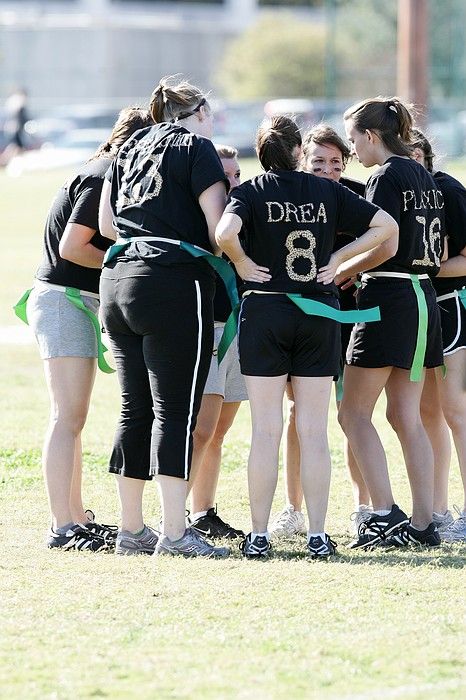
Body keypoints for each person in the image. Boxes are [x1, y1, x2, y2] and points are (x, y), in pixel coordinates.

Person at [215, 115, 397, 558]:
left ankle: (258, 535)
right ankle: (317, 534)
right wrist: (338, 258)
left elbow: (224, 234)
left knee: (266, 429)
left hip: (265, 310)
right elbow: (386, 227)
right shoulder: (327, 189)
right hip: (317, 312)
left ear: (260, 154)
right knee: (314, 430)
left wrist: (240, 262)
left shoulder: (250, 191)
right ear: (299, 152)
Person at [98, 75, 230, 558]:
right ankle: (175, 531)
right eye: (209, 114)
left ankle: (130, 530)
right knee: (175, 410)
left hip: (117, 281)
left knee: (135, 407)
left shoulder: (129, 146)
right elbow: (218, 231)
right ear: (196, 113)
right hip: (174, 280)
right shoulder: (196, 147)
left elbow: (108, 225)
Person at [24, 106, 153, 551]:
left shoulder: (104, 171)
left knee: (74, 418)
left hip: (75, 301)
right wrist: (132, 264)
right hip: (63, 301)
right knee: (68, 416)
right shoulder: (102, 175)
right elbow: (73, 247)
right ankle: (63, 526)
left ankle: (76, 517)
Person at [339, 97, 445, 549]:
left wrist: (343, 269)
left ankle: (384, 514)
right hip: (423, 296)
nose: (354, 152)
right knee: (407, 416)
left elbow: (385, 242)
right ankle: (424, 524)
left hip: (390, 297)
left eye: (353, 140)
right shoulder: (423, 173)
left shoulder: (384, 175)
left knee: (351, 413)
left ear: (371, 136)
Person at [268, 124, 373, 540]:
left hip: (350, 314)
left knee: (352, 413)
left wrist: (352, 266)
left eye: (335, 162)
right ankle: (293, 507)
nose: (327, 170)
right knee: (300, 414)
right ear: (301, 160)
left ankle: (363, 506)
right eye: (318, 162)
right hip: (299, 315)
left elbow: (385, 239)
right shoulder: (286, 194)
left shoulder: (355, 194)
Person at [188, 145, 246, 540]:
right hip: (204, 328)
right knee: (201, 429)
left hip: (238, 328)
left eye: (237, 174)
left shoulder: (246, 210)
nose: (233, 182)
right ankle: (173, 515)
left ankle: (203, 511)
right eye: (224, 175)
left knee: (220, 430)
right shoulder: (198, 218)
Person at [410, 129, 466, 542]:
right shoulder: (399, 190)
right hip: (417, 308)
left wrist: (422, 268)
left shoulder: (447, 189)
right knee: (427, 413)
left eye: (413, 153)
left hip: (449, 306)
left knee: (456, 411)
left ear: (425, 155)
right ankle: (439, 509)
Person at [0, 87, 29, 165]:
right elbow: (14, 115)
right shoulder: (17, 101)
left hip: (15, 129)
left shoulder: (12, 101)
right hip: (14, 130)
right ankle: (3, 161)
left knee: (16, 147)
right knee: (14, 147)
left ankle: (7, 161)